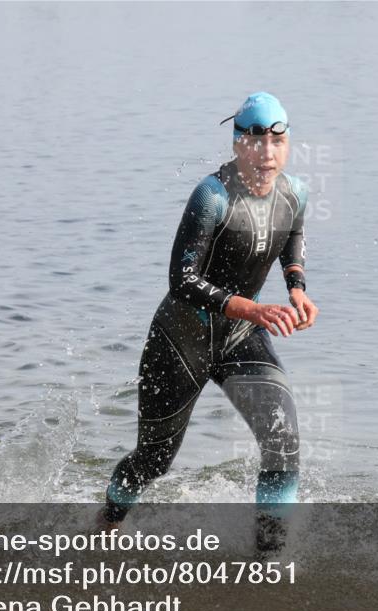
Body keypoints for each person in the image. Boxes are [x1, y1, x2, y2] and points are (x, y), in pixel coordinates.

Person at [94, 92, 319, 553]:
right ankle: (106, 523)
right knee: (154, 459)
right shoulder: (211, 196)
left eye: (277, 142)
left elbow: (292, 236)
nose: (267, 153)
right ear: (237, 144)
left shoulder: (295, 194)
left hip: (241, 337)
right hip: (182, 338)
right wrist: (253, 308)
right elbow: (182, 280)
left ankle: (268, 560)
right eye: (256, 141)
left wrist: (296, 286)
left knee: (282, 439)